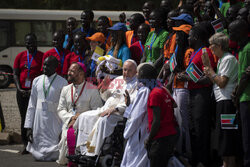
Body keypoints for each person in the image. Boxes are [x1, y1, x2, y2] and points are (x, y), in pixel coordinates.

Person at [71, 59, 138, 161]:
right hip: (105, 109)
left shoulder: (137, 84)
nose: (126, 73)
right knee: (84, 116)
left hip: (120, 113)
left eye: (129, 70)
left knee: (103, 120)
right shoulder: (118, 80)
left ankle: (94, 154)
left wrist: (115, 109)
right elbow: (106, 97)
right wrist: (104, 89)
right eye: (124, 70)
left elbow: (132, 103)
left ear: (135, 72)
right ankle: (82, 150)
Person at [178, 24, 217, 166]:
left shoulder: (205, 52)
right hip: (193, 92)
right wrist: (185, 75)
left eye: (189, 36)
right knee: (194, 127)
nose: (188, 39)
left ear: (196, 37)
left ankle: (203, 160)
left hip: (202, 94)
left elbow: (209, 78)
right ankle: (197, 158)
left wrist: (188, 78)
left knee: (201, 128)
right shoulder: (196, 51)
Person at [202, 32, 242, 167]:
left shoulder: (228, 59)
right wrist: (208, 69)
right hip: (222, 101)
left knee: (227, 134)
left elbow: (222, 82)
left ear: (219, 46)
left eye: (211, 46)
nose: (210, 49)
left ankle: (228, 164)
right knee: (224, 134)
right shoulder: (221, 60)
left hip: (227, 102)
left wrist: (210, 71)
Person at [57, 62, 103, 165]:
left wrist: (81, 117)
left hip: (85, 128)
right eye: (69, 70)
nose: (68, 73)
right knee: (65, 158)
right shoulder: (65, 89)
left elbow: (97, 111)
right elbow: (60, 109)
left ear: (81, 74)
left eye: (72, 71)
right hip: (69, 125)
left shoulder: (92, 90)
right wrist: (72, 117)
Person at [24, 56, 68, 161]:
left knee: (54, 141)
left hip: (54, 119)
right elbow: (31, 105)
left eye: (47, 65)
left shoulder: (63, 82)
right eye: (44, 64)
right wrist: (29, 126)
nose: (44, 67)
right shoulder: (36, 80)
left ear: (55, 67)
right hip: (38, 120)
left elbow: (64, 107)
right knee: (38, 143)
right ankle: (39, 154)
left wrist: (63, 127)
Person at [121, 63, 157, 167]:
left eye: (139, 73)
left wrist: (127, 133)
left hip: (139, 132)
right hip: (142, 130)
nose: (137, 75)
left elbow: (136, 116)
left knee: (135, 161)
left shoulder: (144, 91)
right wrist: (129, 104)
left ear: (145, 76)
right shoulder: (150, 87)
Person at [13, 33, 44, 154]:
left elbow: (43, 74)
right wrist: (19, 88)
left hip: (35, 92)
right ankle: (25, 144)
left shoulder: (42, 56)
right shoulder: (20, 56)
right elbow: (15, 74)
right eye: (27, 43)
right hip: (22, 92)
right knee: (24, 118)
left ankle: (36, 144)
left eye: (31, 42)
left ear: (36, 42)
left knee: (37, 118)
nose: (29, 45)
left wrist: (34, 90)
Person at [229, 19, 250, 167]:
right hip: (242, 96)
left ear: (242, 32)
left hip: (247, 97)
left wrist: (237, 95)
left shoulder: (248, 48)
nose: (230, 34)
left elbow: (245, 76)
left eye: (232, 31)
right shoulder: (242, 48)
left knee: (247, 136)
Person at [144, 77, 178, 167]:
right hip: (170, 133)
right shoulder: (162, 89)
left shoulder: (154, 94)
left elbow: (156, 121)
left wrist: (149, 139)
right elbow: (174, 104)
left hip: (160, 137)